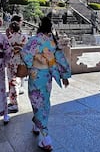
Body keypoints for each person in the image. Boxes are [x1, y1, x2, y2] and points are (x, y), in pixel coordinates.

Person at [21, 16, 71, 151]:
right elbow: (60, 58)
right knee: (44, 101)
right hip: (47, 75)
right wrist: (64, 76)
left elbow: (25, 54)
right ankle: (37, 126)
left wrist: (32, 63)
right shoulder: (52, 42)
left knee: (36, 101)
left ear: (40, 26)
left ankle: (46, 138)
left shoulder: (34, 40)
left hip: (36, 75)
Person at [6, 20, 28, 113]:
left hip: (12, 62)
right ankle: (12, 100)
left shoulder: (9, 38)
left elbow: (7, 51)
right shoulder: (24, 37)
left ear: (11, 29)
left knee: (12, 82)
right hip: (21, 61)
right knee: (17, 81)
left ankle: (14, 104)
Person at [6, 14, 26, 95]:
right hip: (20, 57)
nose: (22, 22)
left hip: (11, 58)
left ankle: (13, 93)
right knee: (19, 73)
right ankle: (18, 88)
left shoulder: (9, 35)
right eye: (21, 21)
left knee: (12, 77)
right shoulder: (23, 36)